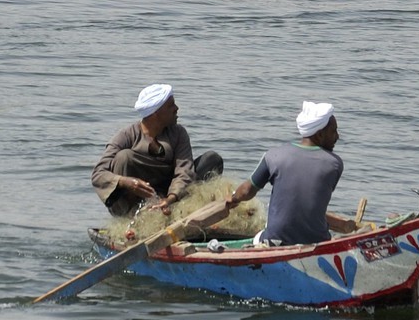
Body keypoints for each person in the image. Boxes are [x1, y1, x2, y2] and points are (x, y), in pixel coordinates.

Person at [214, 100, 358, 247]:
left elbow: (246, 191)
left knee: (259, 235)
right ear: (320, 134)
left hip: (276, 241)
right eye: (333, 131)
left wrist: (233, 198)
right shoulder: (335, 164)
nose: (337, 137)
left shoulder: (274, 156)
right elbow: (310, 205)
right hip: (318, 241)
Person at [91, 82, 224, 217]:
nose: (176, 109)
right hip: (136, 200)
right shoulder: (126, 136)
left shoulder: (178, 133)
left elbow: (184, 171)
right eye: (171, 105)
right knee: (123, 157)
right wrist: (127, 182)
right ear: (156, 113)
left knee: (211, 160)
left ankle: (182, 211)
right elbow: (98, 174)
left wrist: (170, 199)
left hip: (170, 195)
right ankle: (132, 218)